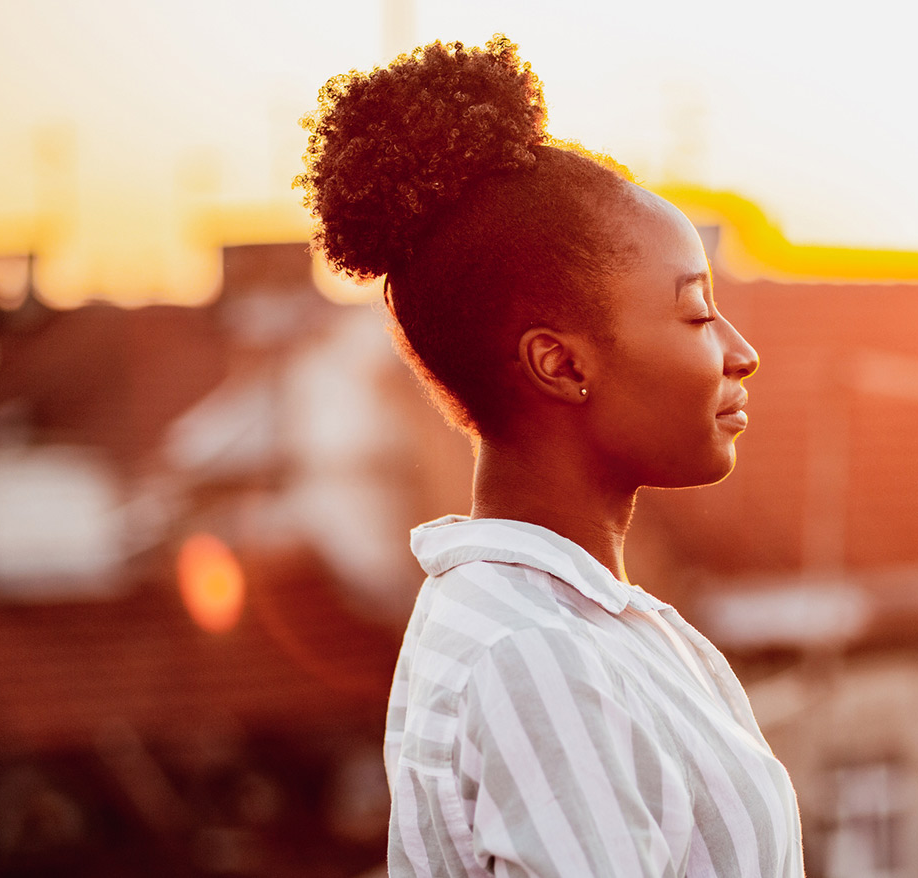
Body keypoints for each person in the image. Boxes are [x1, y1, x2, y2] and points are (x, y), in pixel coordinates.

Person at [296, 36, 804, 877]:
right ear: (561, 365)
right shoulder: (535, 655)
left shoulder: (578, 626)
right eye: (695, 313)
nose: (741, 352)